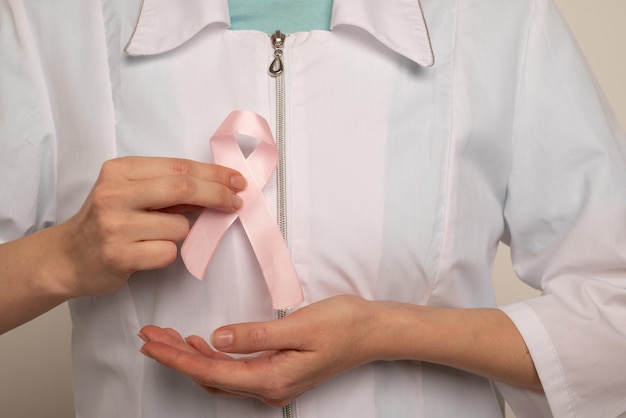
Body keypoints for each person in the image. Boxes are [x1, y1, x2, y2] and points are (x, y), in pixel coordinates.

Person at [1, 0, 625, 417]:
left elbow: (614, 312)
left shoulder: (502, 18)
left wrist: (385, 332)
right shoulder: (49, 19)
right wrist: (60, 258)